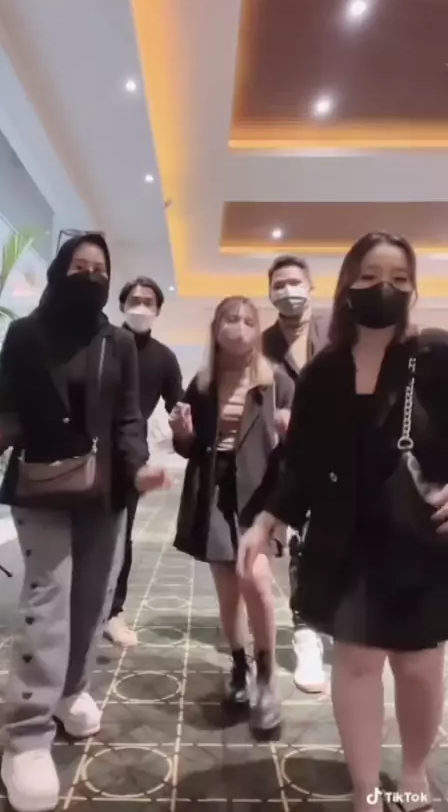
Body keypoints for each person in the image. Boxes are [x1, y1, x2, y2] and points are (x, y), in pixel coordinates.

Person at [238, 231, 448, 812]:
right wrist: (266, 519)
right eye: (371, 277)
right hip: (344, 539)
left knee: (419, 666)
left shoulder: (436, 357)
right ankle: (365, 789)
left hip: (420, 540)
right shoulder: (324, 371)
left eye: (399, 279)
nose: (385, 288)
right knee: (356, 663)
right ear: (348, 285)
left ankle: (413, 770)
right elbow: (300, 461)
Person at [0, 234, 169, 812]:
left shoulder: (117, 342)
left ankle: (72, 691)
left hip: (105, 493)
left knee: (91, 602)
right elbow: (10, 409)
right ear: (60, 271)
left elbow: (128, 419)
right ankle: (28, 734)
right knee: (49, 601)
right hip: (42, 488)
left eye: (99, 269)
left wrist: (139, 467)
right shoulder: (25, 335)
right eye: (79, 266)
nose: (90, 275)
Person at [169, 295, 294, 737]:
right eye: (229, 319)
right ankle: (240, 667)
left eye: (246, 320)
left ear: (257, 329)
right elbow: (188, 447)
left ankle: (267, 675)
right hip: (213, 491)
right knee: (227, 590)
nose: (238, 327)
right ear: (216, 328)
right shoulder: (203, 383)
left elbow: (298, 447)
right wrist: (182, 433)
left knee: (255, 579)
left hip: (260, 491)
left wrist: (289, 432)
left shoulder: (275, 381)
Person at [262, 254, 328, 693]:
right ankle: (306, 635)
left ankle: (337, 623)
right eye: (279, 284)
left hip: (343, 456)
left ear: (311, 286)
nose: (288, 291)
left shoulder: (336, 331)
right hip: (288, 460)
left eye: (295, 282)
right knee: (300, 545)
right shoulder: (263, 343)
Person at [105, 276, 183, 646]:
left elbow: (178, 403)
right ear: (121, 305)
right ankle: (74, 608)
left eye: (148, 301)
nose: (140, 307)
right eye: (134, 300)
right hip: (89, 451)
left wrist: (186, 423)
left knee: (121, 536)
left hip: (131, 457)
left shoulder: (164, 358)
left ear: (158, 309)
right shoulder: (103, 343)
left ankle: (113, 611)